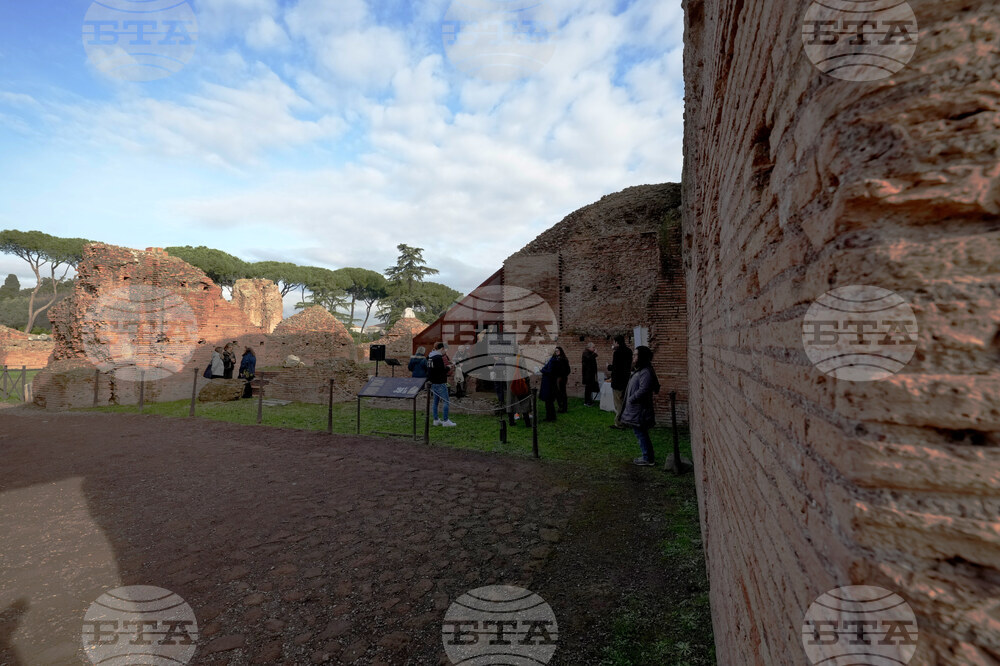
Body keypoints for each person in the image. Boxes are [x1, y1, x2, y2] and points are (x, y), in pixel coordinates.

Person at [621, 345, 661, 466]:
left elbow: (644, 389)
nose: (633, 356)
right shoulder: (641, 370)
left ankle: (647, 458)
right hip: (637, 409)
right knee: (640, 432)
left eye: (636, 354)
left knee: (641, 433)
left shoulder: (646, 372)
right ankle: (647, 456)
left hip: (640, 409)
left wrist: (632, 398)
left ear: (641, 356)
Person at [428, 342, 456, 427]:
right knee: (446, 401)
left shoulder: (430, 357)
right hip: (440, 382)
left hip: (433, 382)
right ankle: (446, 420)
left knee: (435, 402)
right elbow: (441, 370)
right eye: (445, 350)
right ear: (442, 348)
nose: (445, 352)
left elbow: (433, 369)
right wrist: (448, 367)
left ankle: (436, 419)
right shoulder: (438, 358)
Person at [608, 335, 632, 428]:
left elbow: (616, 368)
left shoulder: (617, 353)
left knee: (618, 403)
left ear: (617, 342)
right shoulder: (629, 351)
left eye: (614, 342)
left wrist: (608, 367)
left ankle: (619, 423)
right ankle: (625, 420)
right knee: (624, 401)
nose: (613, 344)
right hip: (626, 380)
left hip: (618, 381)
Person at [539, 350, 559, 422]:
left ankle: (550, 417)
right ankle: (550, 416)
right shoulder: (552, 360)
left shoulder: (552, 360)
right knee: (548, 401)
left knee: (549, 401)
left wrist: (542, 370)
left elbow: (549, 371)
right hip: (549, 382)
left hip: (549, 383)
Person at [552, 346, 570, 413]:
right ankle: (560, 407)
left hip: (562, 378)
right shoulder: (555, 358)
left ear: (560, 351)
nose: (556, 352)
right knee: (558, 393)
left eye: (558, 351)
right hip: (557, 378)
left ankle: (564, 408)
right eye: (555, 351)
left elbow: (568, 370)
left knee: (562, 393)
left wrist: (563, 376)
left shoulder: (564, 359)